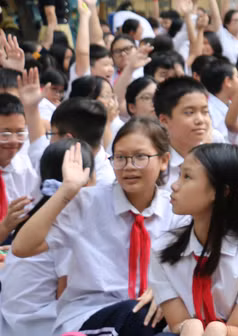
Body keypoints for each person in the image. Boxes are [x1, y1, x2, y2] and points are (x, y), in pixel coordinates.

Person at [12, 119, 184, 335]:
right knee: (139, 315)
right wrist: (67, 191)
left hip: (154, 315)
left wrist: (165, 290)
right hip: (91, 314)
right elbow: (22, 248)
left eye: (140, 157)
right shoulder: (86, 203)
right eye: (120, 158)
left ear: (164, 160)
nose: (129, 166)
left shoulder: (176, 211)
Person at [150, 143, 238, 335]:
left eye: (187, 177)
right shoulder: (163, 249)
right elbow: (178, 323)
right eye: (179, 175)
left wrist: (215, 330)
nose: (175, 185)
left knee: (216, 330)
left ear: (221, 192)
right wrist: (190, 327)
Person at [1, 139, 94, 336]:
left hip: (9, 318)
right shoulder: (67, 220)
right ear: (85, 179)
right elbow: (66, 294)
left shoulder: (39, 213)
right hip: (36, 323)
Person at [154, 77, 214, 189]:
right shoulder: (154, 166)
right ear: (164, 121)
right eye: (189, 113)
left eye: (205, 112)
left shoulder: (215, 160)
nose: (200, 120)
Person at [0, 94, 39, 243]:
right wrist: (5, 226)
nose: (14, 141)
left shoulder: (25, 168)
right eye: (5, 134)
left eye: (20, 133)